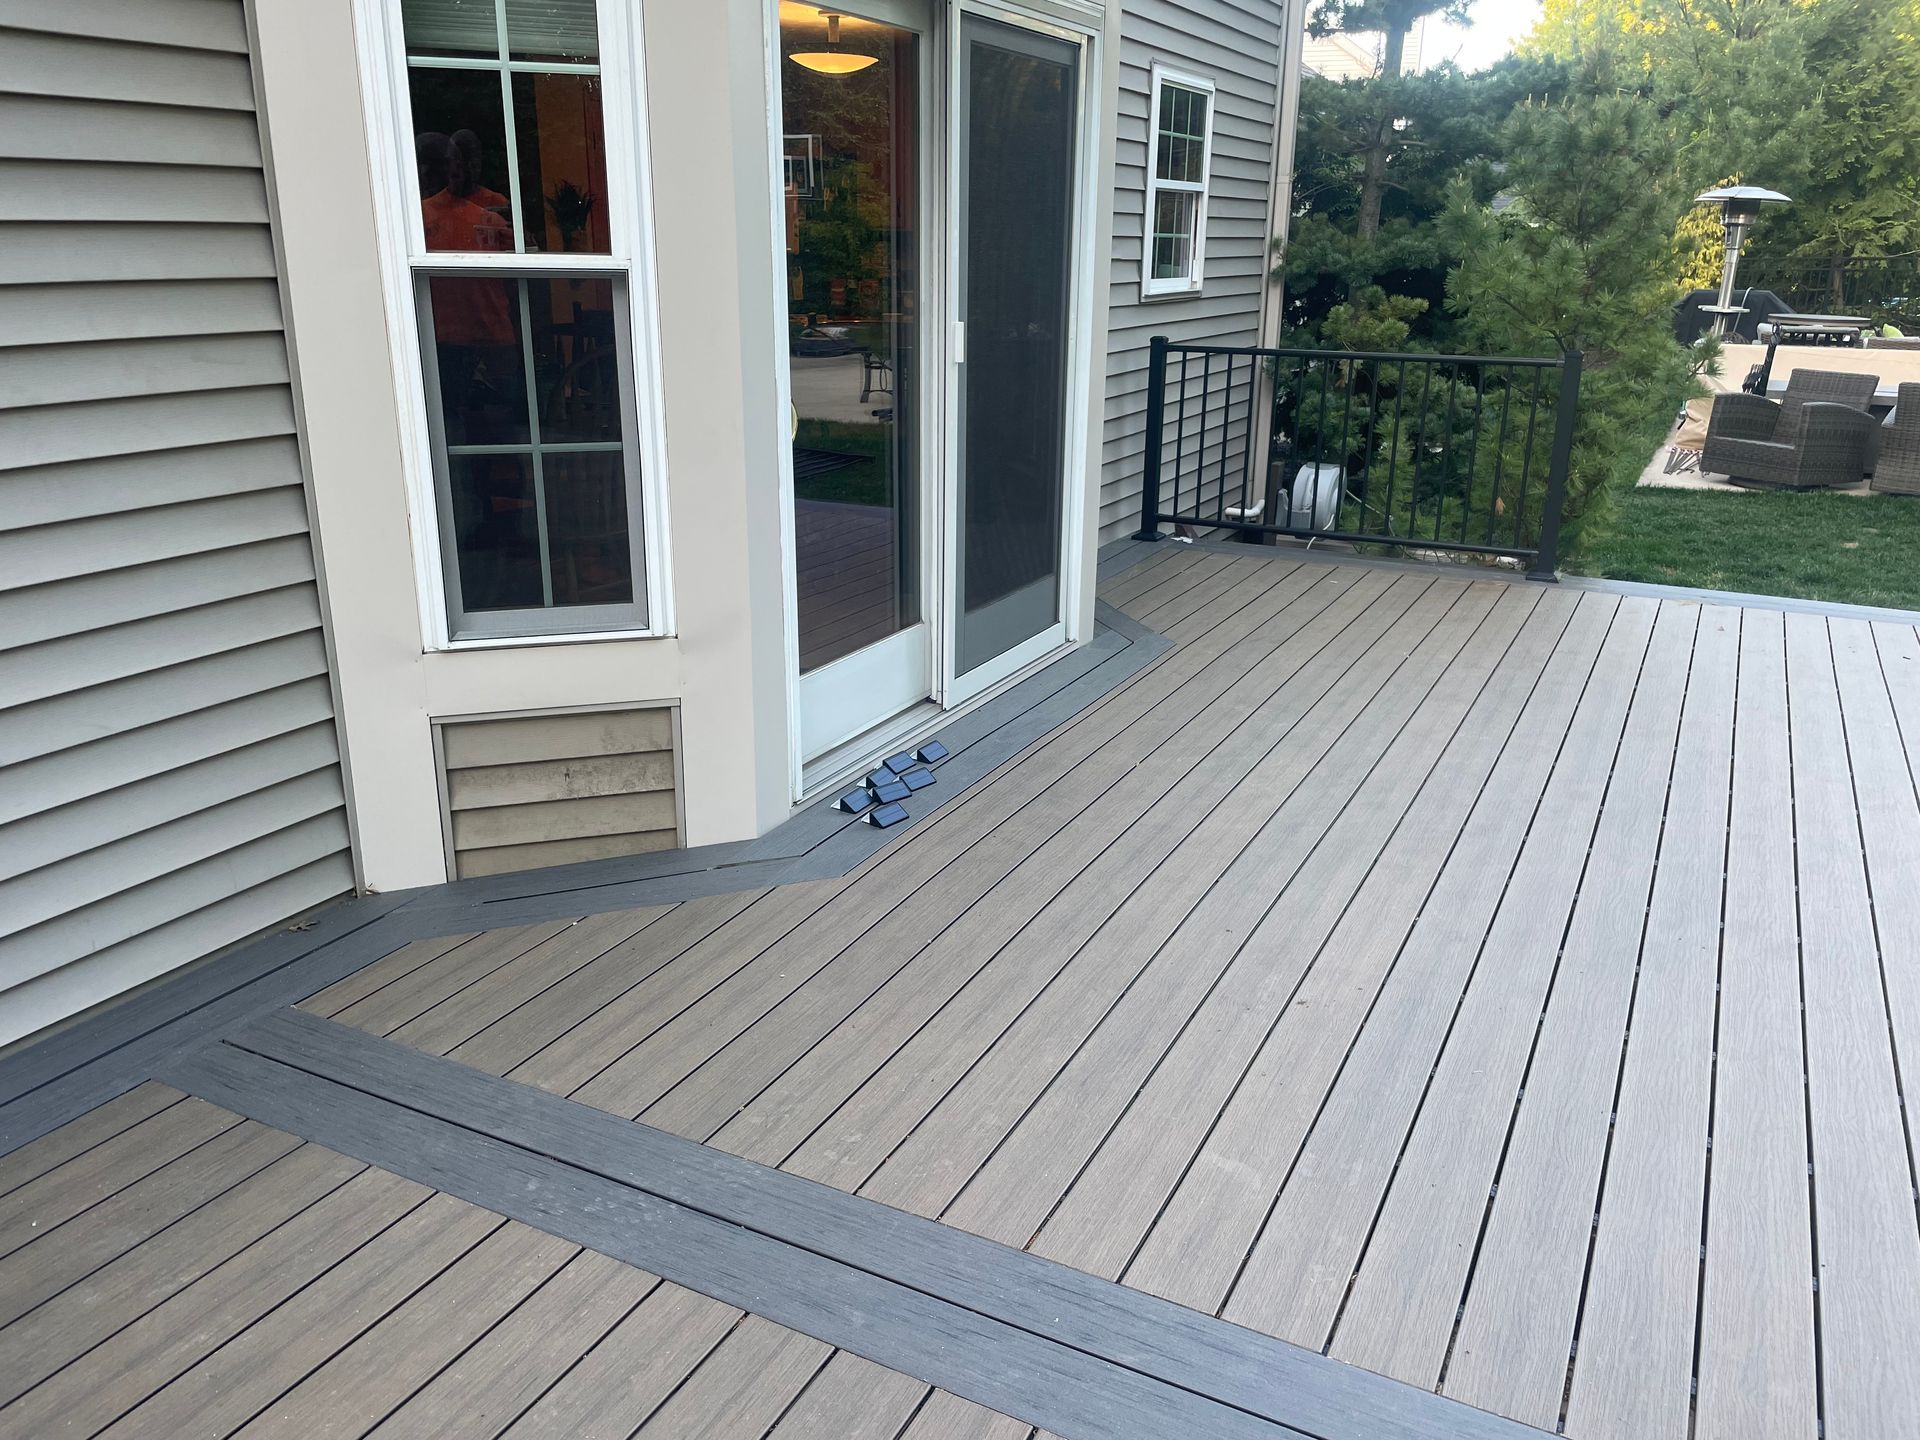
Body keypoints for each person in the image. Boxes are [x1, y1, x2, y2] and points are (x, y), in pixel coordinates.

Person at [450, 129, 511, 215]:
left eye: (475, 160)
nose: (470, 167)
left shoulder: (498, 203)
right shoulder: (429, 210)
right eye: (463, 160)